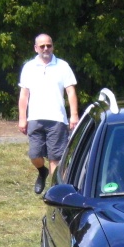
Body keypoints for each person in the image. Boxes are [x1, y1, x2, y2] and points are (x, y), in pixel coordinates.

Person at [18, 33, 79, 194]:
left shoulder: (63, 66)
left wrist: (74, 115)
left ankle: (54, 192)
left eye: (49, 45)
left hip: (57, 119)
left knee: (56, 158)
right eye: (42, 46)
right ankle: (42, 172)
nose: (46, 48)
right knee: (34, 155)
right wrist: (22, 118)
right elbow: (24, 95)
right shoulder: (29, 67)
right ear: (36, 48)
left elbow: (71, 92)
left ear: (52, 46)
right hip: (35, 119)